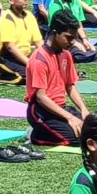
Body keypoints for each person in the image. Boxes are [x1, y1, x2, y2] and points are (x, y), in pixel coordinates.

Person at [23, 12, 90, 147]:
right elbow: (41, 98)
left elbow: (70, 86)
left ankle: (54, 128)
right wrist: (70, 118)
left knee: (93, 132)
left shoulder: (66, 54)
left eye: (74, 38)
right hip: (41, 111)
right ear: (55, 33)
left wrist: (83, 109)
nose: (72, 42)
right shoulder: (39, 60)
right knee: (75, 139)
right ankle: (34, 134)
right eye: (69, 38)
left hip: (61, 108)